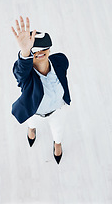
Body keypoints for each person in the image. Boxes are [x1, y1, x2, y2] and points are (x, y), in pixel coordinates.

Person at [11, 16, 71, 164]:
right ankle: (31, 130)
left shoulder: (60, 61)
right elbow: (20, 71)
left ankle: (57, 144)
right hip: (35, 111)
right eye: (35, 51)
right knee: (32, 124)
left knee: (58, 131)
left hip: (57, 109)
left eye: (44, 48)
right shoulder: (26, 76)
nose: (40, 52)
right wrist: (25, 52)